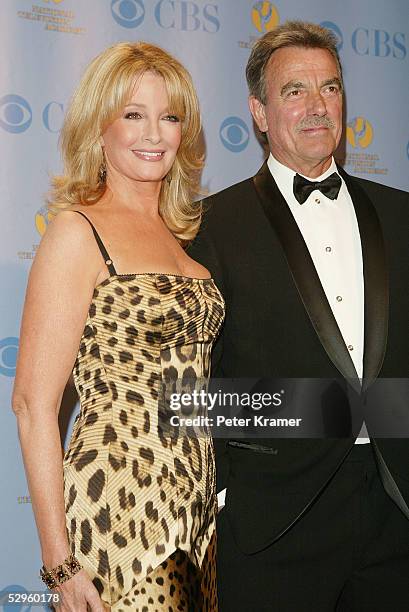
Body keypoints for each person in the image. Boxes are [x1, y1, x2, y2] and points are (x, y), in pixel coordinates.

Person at [188, 20, 409, 612]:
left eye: (331, 88)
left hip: (395, 505)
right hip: (275, 519)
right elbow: (190, 389)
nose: (318, 107)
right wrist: (234, 487)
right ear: (259, 112)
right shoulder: (207, 228)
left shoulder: (401, 215)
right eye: (295, 91)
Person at [11, 41, 224, 611]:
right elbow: (33, 404)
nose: (154, 133)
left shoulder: (183, 240)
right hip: (121, 514)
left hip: (197, 518)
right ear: (98, 128)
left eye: (169, 116)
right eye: (134, 115)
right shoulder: (77, 233)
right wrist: (60, 566)